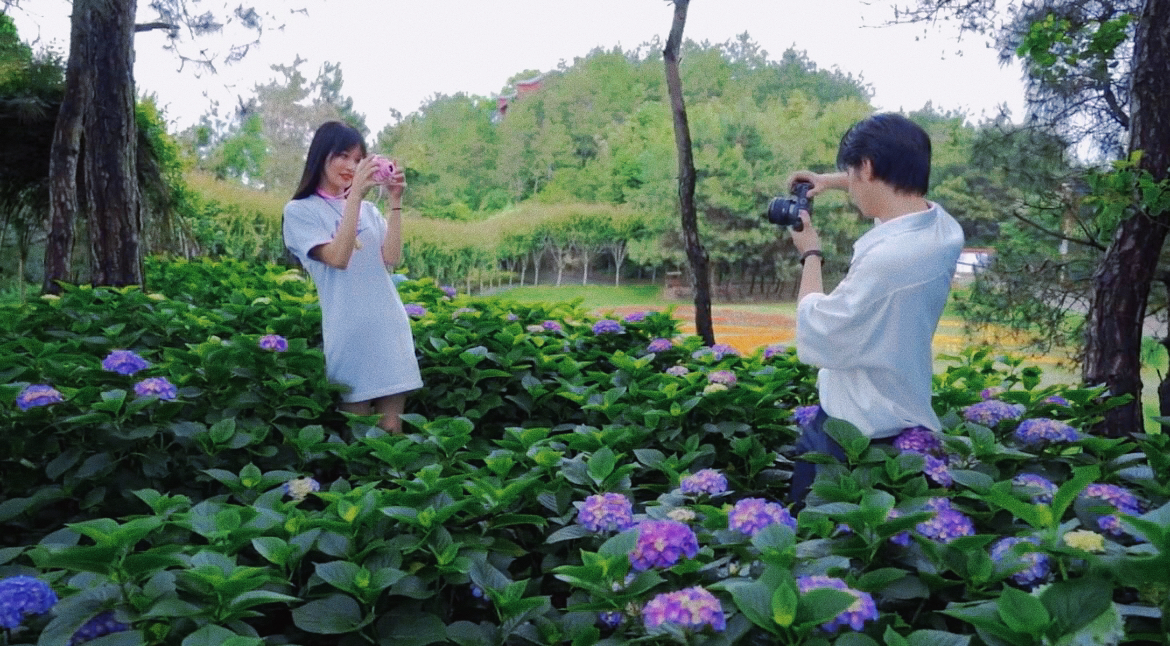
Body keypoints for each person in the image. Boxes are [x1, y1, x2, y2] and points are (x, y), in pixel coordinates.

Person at [784, 112, 964, 505]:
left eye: (850, 174)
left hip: (854, 438)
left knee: (815, 547)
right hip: (906, 417)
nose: (849, 189)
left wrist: (810, 253)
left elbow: (818, 333)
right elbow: (896, 202)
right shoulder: (945, 231)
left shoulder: (889, 262)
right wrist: (828, 181)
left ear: (866, 167)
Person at [282, 120, 422, 433]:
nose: (351, 166)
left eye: (358, 160)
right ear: (321, 156)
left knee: (392, 432)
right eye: (343, 156)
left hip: (389, 326)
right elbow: (338, 257)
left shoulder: (370, 211)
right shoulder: (300, 211)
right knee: (358, 438)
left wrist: (395, 201)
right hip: (349, 334)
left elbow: (391, 259)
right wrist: (355, 196)